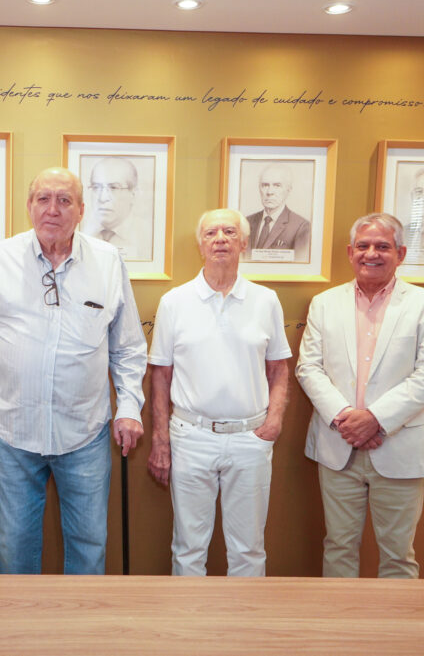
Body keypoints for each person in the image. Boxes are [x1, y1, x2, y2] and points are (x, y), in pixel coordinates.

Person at [0, 166, 147, 574]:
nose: (53, 209)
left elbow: (128, 347)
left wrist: (130, 407)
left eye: (64, 200)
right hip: (12, 434)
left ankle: (81, 620)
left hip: (85, 433)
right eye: (43, 199)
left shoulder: (108, 262)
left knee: (89, 549)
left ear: (81, 210)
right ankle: (20, 618)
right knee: (14, 549)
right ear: (29, 206)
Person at [295, 212, 424, 578]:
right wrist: (346, 420)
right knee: (338, 546)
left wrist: (375, 420)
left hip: (399, 445)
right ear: (350, 252)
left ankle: (395, 619)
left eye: (382, 246)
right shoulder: (324, 303)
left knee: (398, 555)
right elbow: (308, 368)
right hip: (338, 446)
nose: (371, 254)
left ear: (401, 253)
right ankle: (341, 617)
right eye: (363, 246)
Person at [148, 209, 291, 576]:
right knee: (188, 548)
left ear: (244, 243)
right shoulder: (175, 301)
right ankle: (189, 613)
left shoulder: (265, 300)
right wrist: (160, 440)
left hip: (250, 438)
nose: (220, 239)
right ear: (201, 245)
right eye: (211, 233)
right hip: (191, 437)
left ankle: (244, 615)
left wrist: (274, 422)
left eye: (229, 232)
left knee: (248, 549)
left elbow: (278, 369)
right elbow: (160, 375)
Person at [81, 157, 152, 261]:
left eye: (113, 188)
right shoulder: (79, 232)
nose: (102, 198)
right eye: (96, 187)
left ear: (133, 194)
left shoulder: (149, 236)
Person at [245, 164, 311, 262]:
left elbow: (300, 265)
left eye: (277, 185)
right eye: (265, 185)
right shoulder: (246, 222)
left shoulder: (301, 227)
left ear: (288, 190)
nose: (269, 192)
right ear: (259, 188)